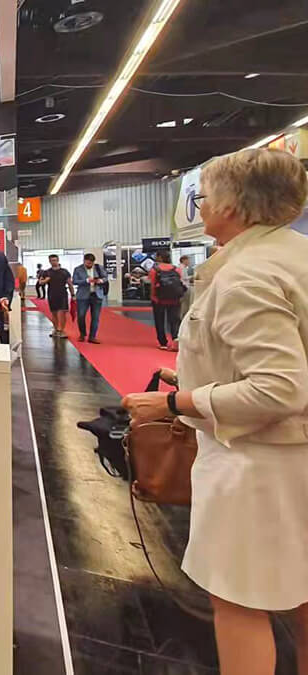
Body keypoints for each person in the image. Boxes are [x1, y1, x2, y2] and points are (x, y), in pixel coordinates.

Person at [121, 148, 308, 675]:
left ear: (230, 204)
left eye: (202, 196)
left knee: (239, 601)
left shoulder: (247, 275)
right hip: (286, 458)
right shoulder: (293, 256)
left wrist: (175, 401)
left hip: (260, 464)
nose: (199, 206)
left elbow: (279, 388)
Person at [149, 249, 184, 351]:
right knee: (174, 321)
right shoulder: (176, 269)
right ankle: (175, 340)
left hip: (159, 300)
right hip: (174, 299)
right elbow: (180, 283)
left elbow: (152, 285)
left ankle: (163, 342)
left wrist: (153, 297)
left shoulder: (154, 270)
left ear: (160, 257)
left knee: (159, 320)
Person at [73, 253, 108, 343]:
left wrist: (101, 280)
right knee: (81, 316)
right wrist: (86, 281)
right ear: (84, 261)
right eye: (87, 263)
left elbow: (105, 277)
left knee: (95, 317)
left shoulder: (99, 268)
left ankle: (92, 336)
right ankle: (82, 334)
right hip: (82, 296)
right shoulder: (78, 269)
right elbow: (75, 281)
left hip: (97, 295)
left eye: (91, 263)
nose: (89, 265)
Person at [43, 254, 75, 339]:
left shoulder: (64, 272)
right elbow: (40, 282)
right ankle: (56, 329)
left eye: (55, 260)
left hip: (62, 294)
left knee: (62, 313)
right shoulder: (47, 272)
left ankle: (62, 330)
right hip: (51, 294)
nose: (53, 262)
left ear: (58, 260)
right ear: (49, 261)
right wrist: (45, 280)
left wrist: (73, 294)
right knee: (54, 313)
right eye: (51, 260)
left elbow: (70, 283)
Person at [178, 254, 195, 319]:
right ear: (183, 260)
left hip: (184, 287)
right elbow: (183, 278)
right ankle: (183, 317)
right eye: (187, 260)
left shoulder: (183, 267)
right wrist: (191, 277)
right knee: (185, 304)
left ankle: (183, 317)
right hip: (184, 288)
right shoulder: (182, 268)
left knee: (184, 304)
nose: (189, 262)